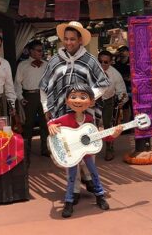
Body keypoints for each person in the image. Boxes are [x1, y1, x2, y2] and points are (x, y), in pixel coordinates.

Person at [40, 21, 110, 204]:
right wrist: (46, 107)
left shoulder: (89, 60)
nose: (69, 42)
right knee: (69, 150)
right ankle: (76, 188)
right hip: (62, 113)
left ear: (80, 40)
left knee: (87, 149)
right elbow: (44, 86)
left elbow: (103, 84)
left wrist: (86, 99)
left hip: (84, 115)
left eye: (73, 39)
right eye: (66, 39)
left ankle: (89, 180)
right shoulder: (55, 60)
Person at [47, 83, 123, 218]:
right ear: (67, 101)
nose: (77, 100)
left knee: (94, 174)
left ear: (91, 102)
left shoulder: (89, 119)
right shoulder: (66, 118)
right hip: (71, 154)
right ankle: (69, 202)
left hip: (87, 154)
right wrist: (51, 126)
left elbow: (98, 135)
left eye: (83, 97)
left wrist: (114, 134)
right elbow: (52, 122)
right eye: (73, 97)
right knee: (71, 178)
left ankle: (100, 196)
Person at [14, 40, 50, 166]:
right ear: (31, 51)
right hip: (30, 95)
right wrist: (19, 97)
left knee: (45, 123)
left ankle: (45, 149)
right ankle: (26, 150)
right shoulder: (23, 65)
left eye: (42, 50)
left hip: (44, 95)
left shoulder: (46, 65)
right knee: (28, 125)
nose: (41, 53)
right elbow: (17, 83)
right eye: (38, 50)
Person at [97, 50, 127, 161]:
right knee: (90, 126)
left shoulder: (115, 74)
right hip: (93, 102)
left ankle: (109, 149)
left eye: (106, 62)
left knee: (108, 126)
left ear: (110, 62)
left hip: (108, 101)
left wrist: (121, 100)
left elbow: (122, 91)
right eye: (100, 61)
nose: (102, 64)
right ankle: (89, 151)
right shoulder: (91, 71)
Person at [113, 45, 132, 124]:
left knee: (132, 105)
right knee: (124, 106)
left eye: (123, 51)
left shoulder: (132, 62)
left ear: (128, 52)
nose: (122, 53)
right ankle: (126, 124)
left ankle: (131, 123)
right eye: (121, 51)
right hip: (121, 87)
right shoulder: (117, 62)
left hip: (131, 87)